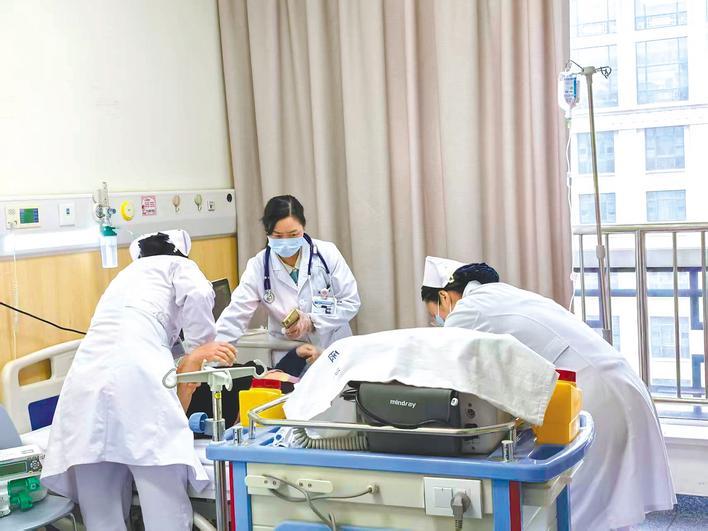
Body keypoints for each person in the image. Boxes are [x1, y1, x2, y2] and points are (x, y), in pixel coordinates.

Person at [421, 256, 676, 531]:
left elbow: (448, 374)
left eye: (436, 314)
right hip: (620, 383)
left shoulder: (466, 311)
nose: (440, 321)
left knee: (576, 509)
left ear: (445, 297)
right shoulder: (504, 295)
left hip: (593, 396)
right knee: (605, 506)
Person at [41, 230, 237, 531]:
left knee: (101, 516)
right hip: (137, 381)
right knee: (164, 509)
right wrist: (201, 347)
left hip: (86, 383)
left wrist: (190, 355)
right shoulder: (179, 265)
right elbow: (199, 294)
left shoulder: (124, 278)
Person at [216, 195, 360, 357]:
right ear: (267, 232)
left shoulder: (327, 253)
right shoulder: (258, 267)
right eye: (278, 236)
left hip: (332, 348)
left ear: (303, 227)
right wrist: (213, 355)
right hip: (290, 354)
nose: (286, 241)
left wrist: (312, 321)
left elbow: (350, 302)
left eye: (293, 234)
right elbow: (235, 315)